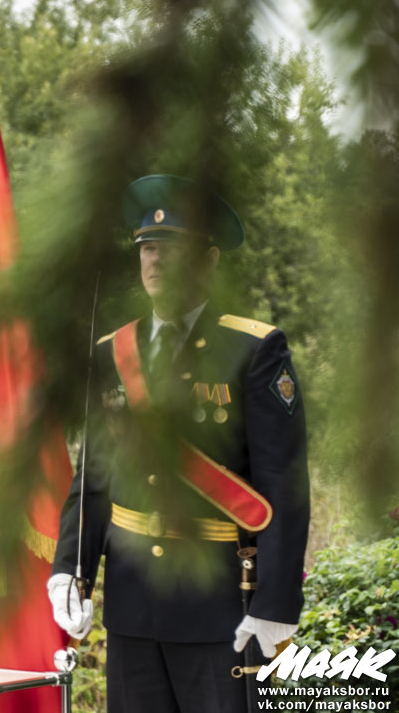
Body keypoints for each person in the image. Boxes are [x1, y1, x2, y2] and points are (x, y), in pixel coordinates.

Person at [47, 174, 310, 712]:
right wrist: (70, 570)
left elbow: (283, 482)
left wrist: (276, 604)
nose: (156, 261)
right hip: (133, 604)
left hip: (223, 608)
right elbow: (95, 473)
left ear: (210, 260)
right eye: (147, 248)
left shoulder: (252, 350)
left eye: (172, 248)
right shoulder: (113, 351)